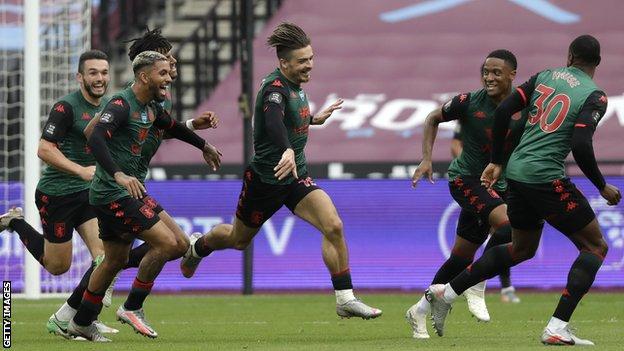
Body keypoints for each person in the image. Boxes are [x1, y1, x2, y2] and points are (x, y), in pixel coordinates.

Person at [426, 35, 621, 346]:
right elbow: (581, 143)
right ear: (597, 63)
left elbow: (504, 111)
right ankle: (556, 327)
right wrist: (601, 185)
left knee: (521, 249)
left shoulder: (544, 77)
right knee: (595, 247)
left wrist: (497, 162)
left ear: (569, 56)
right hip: (545, 177)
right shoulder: (594, 96)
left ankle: (445, 293)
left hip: (515, 175)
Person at [179, 22, 382, 320]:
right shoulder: (273, 88)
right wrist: (286, 148)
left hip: (295, 177)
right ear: (283, 63)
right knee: (238, 240)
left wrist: (313, 119)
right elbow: (273, 120)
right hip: (265, 180)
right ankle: (198, 246)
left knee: (334, 226)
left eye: (311, 58)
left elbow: (288, 117)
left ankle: (345, 298)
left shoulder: (295, 88)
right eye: (302, 61)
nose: (309, 65)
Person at [66, 51, 222, 342]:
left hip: (129, 191)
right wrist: (118, 174)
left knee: (114, 260)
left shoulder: (151, 106)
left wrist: (203, 144)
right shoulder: (122, 103)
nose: (170, 77)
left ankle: (81, 322)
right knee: (170, 243)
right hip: (115, 192)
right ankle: (132, 306)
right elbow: (96, 136)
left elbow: (171, 126)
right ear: (144, 76)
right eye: (163, 72)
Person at [0, 50, 118, 336]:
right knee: (57, 266)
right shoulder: (66, 108)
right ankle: (15, 222)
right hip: (57, 195)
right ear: (80, 77)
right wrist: (80, 171)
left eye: (103, 72)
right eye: (93, 72)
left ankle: (81, 317)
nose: (99, 78)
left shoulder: (109, 107)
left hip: (88, 193)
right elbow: (43, 149)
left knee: (105, 257)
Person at [408, 50, 524, 339]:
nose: (489, 77)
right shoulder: (469, 102)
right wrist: (426, 158)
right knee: (509, 225)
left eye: (497, 72)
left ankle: (419, 311)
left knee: (460, 259)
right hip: (466, 180)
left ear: (512, 75)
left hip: (497, 185)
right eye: (486, 71)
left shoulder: (524, 107)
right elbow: (433, 117)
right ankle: (477, 283)